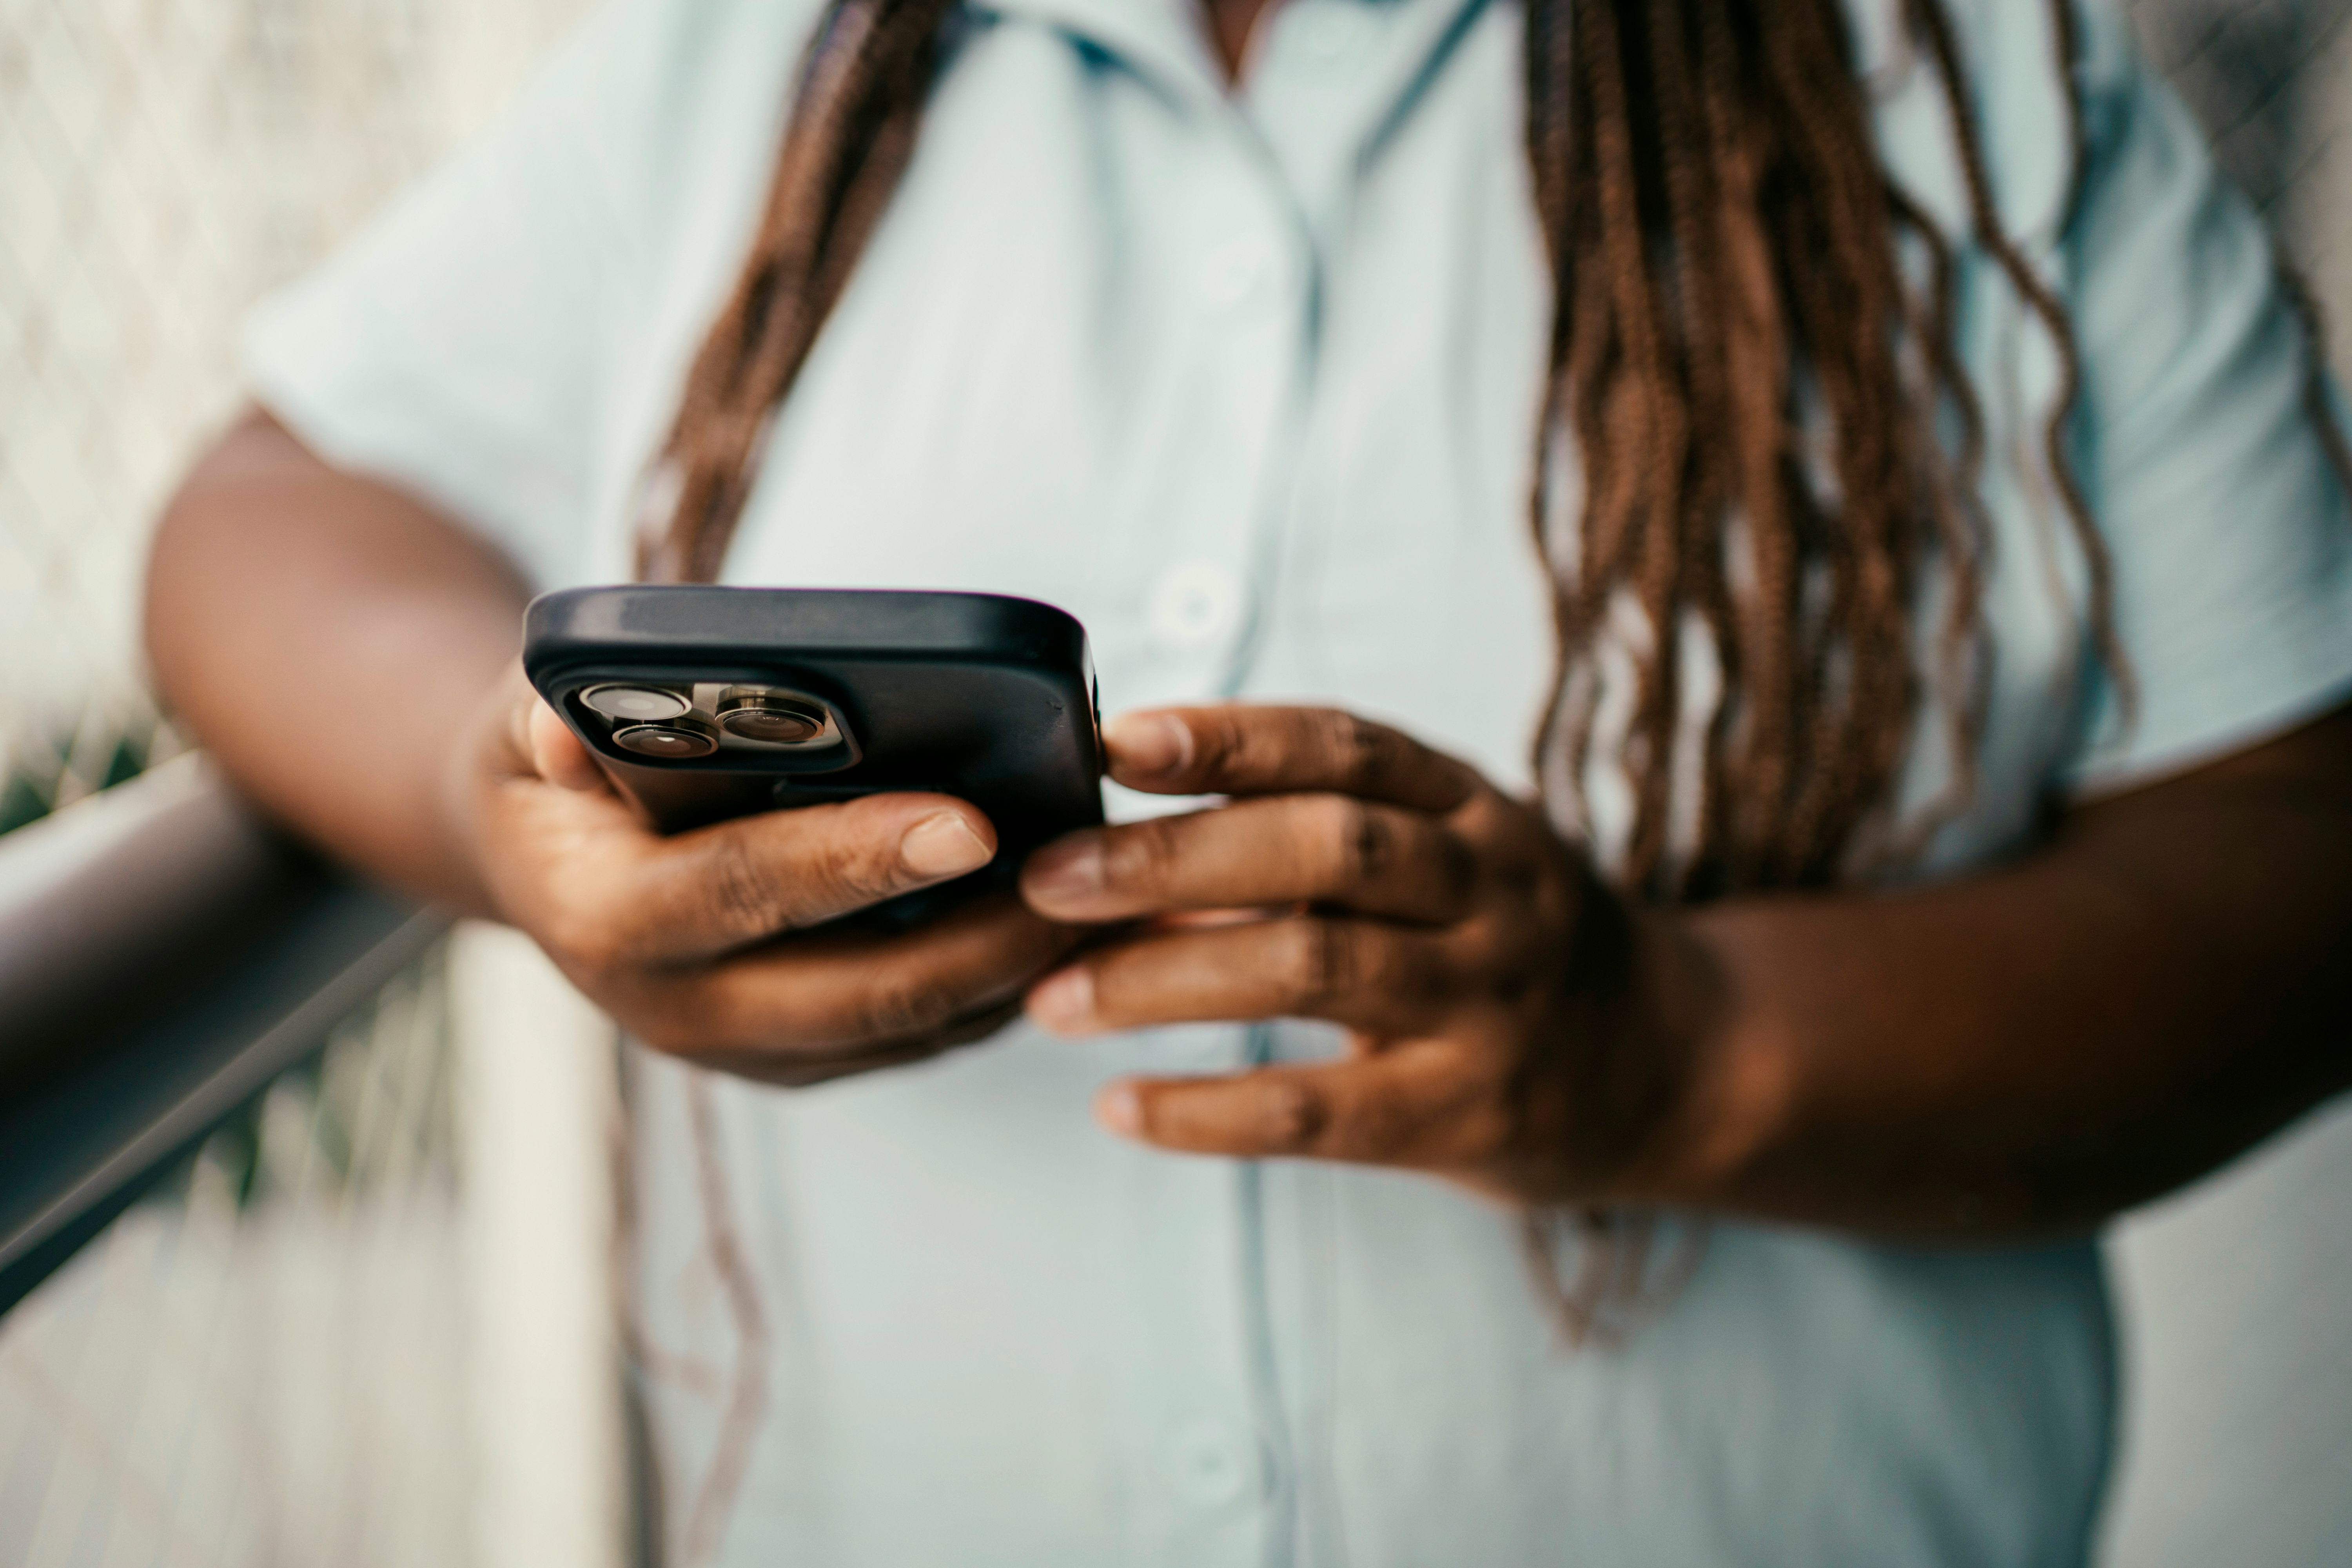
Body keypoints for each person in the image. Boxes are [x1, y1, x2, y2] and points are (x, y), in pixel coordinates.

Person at [145, 0, 2352, 1560]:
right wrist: (508, 811)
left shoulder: (1971, 84)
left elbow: (2291, 856)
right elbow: (258, 518)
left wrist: (1681, 1054)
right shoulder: (746, 61)